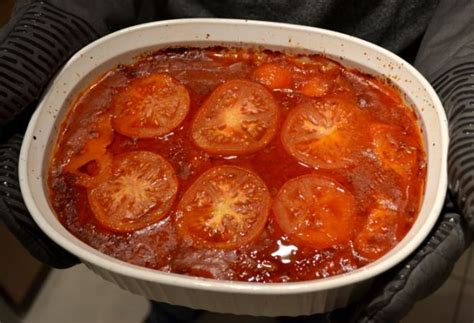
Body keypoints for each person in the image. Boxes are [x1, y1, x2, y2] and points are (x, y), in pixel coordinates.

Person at [0, 1, 473, 322]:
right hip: (170, 37)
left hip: (393, 62)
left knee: (329, 309)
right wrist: (63, 11)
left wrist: (462, 73)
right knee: (175, 294)